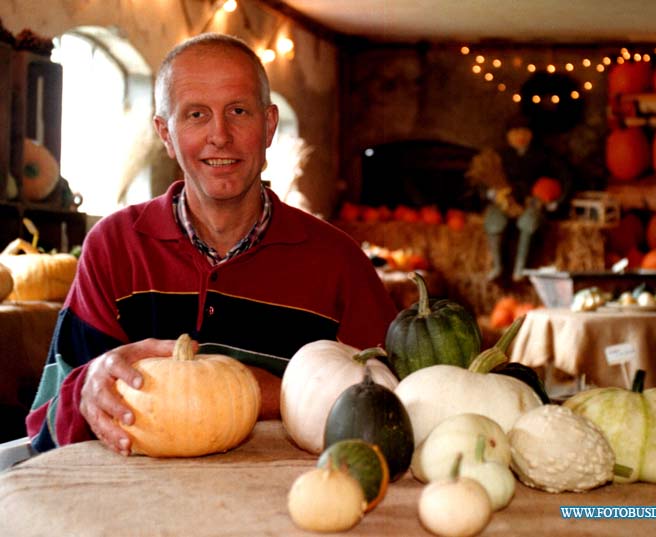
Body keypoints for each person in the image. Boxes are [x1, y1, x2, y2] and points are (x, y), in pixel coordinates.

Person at [25, 33, 397, 455]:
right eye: (196, 115)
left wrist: (265, 392)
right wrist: (87, 389)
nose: (220, 135)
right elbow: (45, 425)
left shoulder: (339, 262)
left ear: (269, 125)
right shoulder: (114, 247)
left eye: (238, 111)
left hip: (287, 510)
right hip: (135, 508)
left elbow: (390, 410)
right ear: (165, 134)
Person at [468, 117, 572, 281]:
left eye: (524, 132)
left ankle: (520, 268)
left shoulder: (544, 155)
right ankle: (497, 266)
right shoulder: (499, 158)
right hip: (504, 203)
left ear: (531, 135)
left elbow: (565, 177)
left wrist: (557, 202)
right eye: (515, 132)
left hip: (530, 203)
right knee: (494, 220)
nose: (519, 136)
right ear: (508, 136)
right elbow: (482, 183)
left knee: (529, 222)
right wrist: (492, 193)